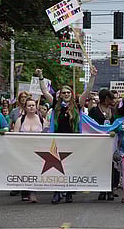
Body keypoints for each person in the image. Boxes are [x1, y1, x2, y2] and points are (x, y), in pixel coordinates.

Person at [37, 66, 97, 204]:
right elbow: (44, 91)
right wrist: (41, 77)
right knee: (56, 168)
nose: (65, 94)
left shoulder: (77, 104)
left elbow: (87, 91)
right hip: (57, 141)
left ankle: (69, 192)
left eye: (68, 92)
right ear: (60, 94)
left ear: (71, 93)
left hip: (73, 140)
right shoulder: (55, 104)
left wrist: (92, 76)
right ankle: (57, 193)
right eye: (63, 92)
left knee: (71, 166)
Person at [88, 89, 117, 201]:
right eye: (110, 98)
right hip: (99, 143)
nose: (112, 100)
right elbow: (90, 125)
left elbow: (117, 123)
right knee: (101, 166)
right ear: (105, 99)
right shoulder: (94, 111)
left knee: (112, 166)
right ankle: (101, 189)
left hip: (111, 142)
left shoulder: (113, 111)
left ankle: (110, 189)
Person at [14, 98, 44, 203]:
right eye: (29, 105)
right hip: (24, 150)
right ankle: (24, 191)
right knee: (24, 170)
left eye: (33, 105)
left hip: (37, 150)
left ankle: (33, 192)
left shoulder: (41, 120)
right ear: (25, 107)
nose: (31, 107)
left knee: (35, 171)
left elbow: (47, 135)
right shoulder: (20, 120)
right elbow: (14, 137)